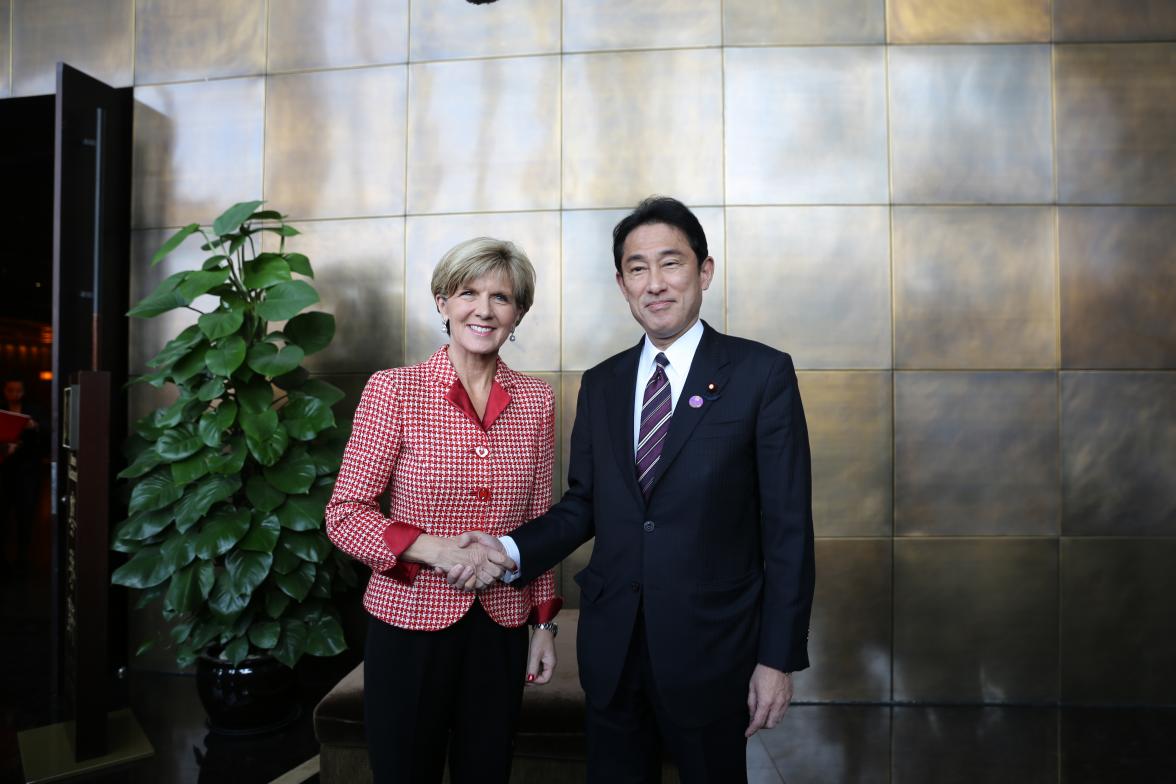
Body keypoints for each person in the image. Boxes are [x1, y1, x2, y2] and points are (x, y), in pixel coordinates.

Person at [447, 197, 815, 783]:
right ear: (622, 283)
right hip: (613, 648)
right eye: (637, 269)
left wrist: (778, 657)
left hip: (713, 650)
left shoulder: (761, 374)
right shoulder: (603, 383)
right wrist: (507, 551)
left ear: (705, 271)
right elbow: (583, 504)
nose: (655, 283)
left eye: (671, 264)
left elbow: (789, 528)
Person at [324, 237, 562, 784]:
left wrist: (544, 622)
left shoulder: (536, 399)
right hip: (409, 625)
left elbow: (540, 519)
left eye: (501, 298)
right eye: (467, 293)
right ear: (441, 302)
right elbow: (347, 513)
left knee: (487, 772)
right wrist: (435, 550)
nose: (484, 309)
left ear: (519, 312)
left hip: (501, 625)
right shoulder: (394, 390)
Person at [1, 377, 45, 575]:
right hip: (4, 470)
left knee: (25, 514)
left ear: (24, 391)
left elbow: (47, 434)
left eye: (18, 390)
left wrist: (34, 427)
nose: (15, 394)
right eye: (11, 390)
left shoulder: (33, 410)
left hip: (27, 470)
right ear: (5, 391)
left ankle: (23, 558)